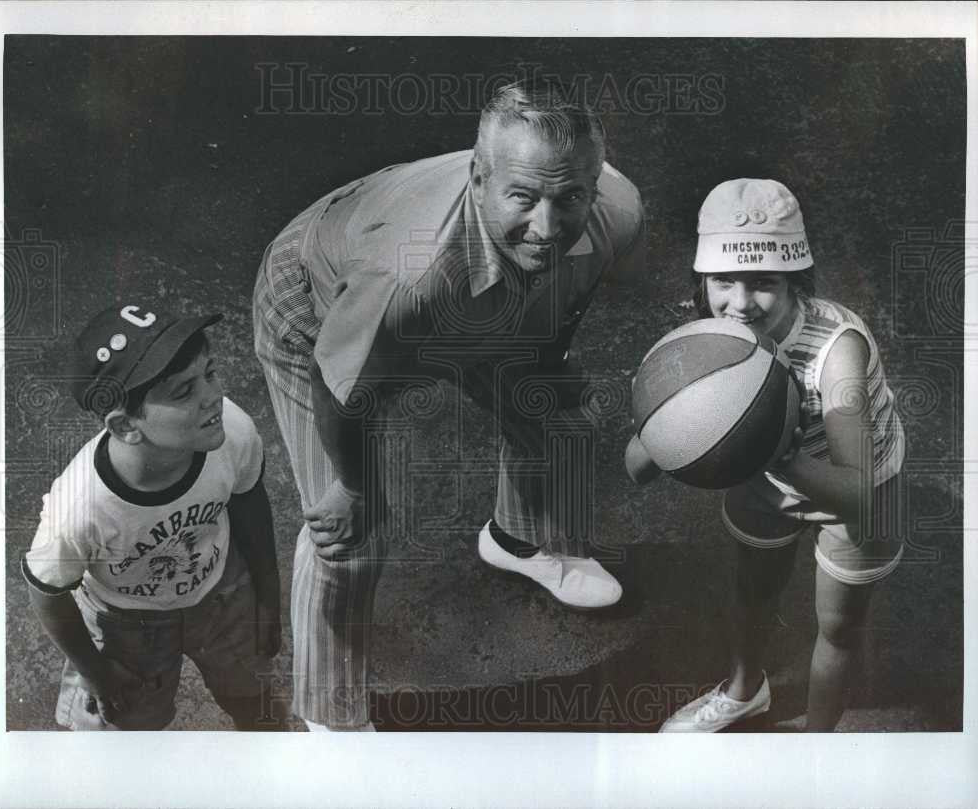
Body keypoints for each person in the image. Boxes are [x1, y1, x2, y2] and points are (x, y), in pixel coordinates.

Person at [253, 78, 646, 730]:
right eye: (523, 196)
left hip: (474, 303)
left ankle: (516, 542)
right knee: (350, 538)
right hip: (320, 311)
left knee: (563, 415)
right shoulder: (403, 276)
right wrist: (354, 488)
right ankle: (331, 719)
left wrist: (542, 372)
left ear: (595, 183)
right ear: (479, 177)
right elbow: (338, 385)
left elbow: (566, 299)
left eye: (569, 197)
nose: (547, 228)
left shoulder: (615, 212)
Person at [626, 178, 905, 732]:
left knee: (839, 626)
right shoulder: (709, 340)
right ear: (702, 279)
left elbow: (857, 492)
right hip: (766, 483)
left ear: (795, 281)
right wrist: (665, 422)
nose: (739, 302)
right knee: (753, 592)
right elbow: (635, 466)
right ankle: (744, 691)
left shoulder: (836, 350)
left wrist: (771, 451)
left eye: (763, 284)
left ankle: (816, 745)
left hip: (861, 489)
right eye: (723, 281)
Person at [24, 304, 283, 730]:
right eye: (184, 392)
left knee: (255, 701)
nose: (212, 396)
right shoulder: (79, 507)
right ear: (126, 426)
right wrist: (95, 671)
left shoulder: (231, 430)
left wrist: (268, 593)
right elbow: (46, 591)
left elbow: (249, 499)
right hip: (128, 623)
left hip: (223, 595)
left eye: (210, 372)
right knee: (128, 730)